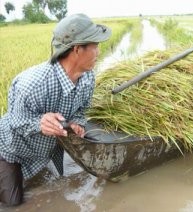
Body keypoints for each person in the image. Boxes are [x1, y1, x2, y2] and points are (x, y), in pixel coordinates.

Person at [0, 13, 111, 206]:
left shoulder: (87, 78)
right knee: (12, 202)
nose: (98, 52)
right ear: (77, 49)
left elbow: (82, 108)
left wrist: (77, 122)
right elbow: (15, 122)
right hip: (10, 148)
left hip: (43, 148)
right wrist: (39, 122)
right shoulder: (31, 85)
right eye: (95, 46)